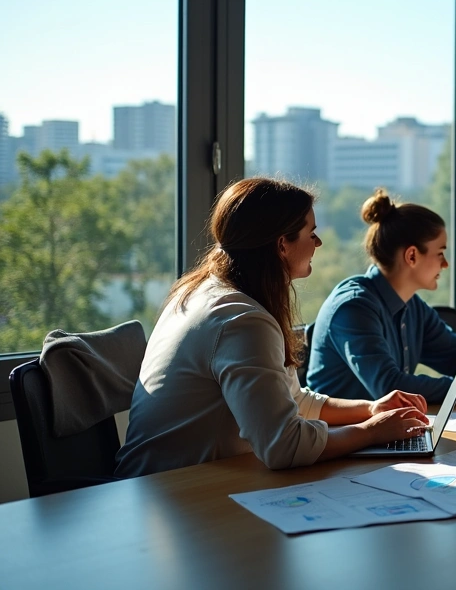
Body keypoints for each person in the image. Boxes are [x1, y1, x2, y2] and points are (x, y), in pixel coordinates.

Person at [116, 178, 431, 478]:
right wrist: (372, 432)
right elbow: (284, 446)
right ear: (283, 245)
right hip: (165, 490)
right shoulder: (242, 321)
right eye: (311, 233)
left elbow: (292, 402)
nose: (318, 242)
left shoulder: (204, 294)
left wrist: (371, 408)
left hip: (173, 484)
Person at [306, 189, 456, 402]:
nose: (446, 264)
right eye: (440, 253)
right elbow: (390, 387)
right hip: (339, 439)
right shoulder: (353, 307)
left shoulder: (412, 306)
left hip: (380, 433)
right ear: (411, 256)